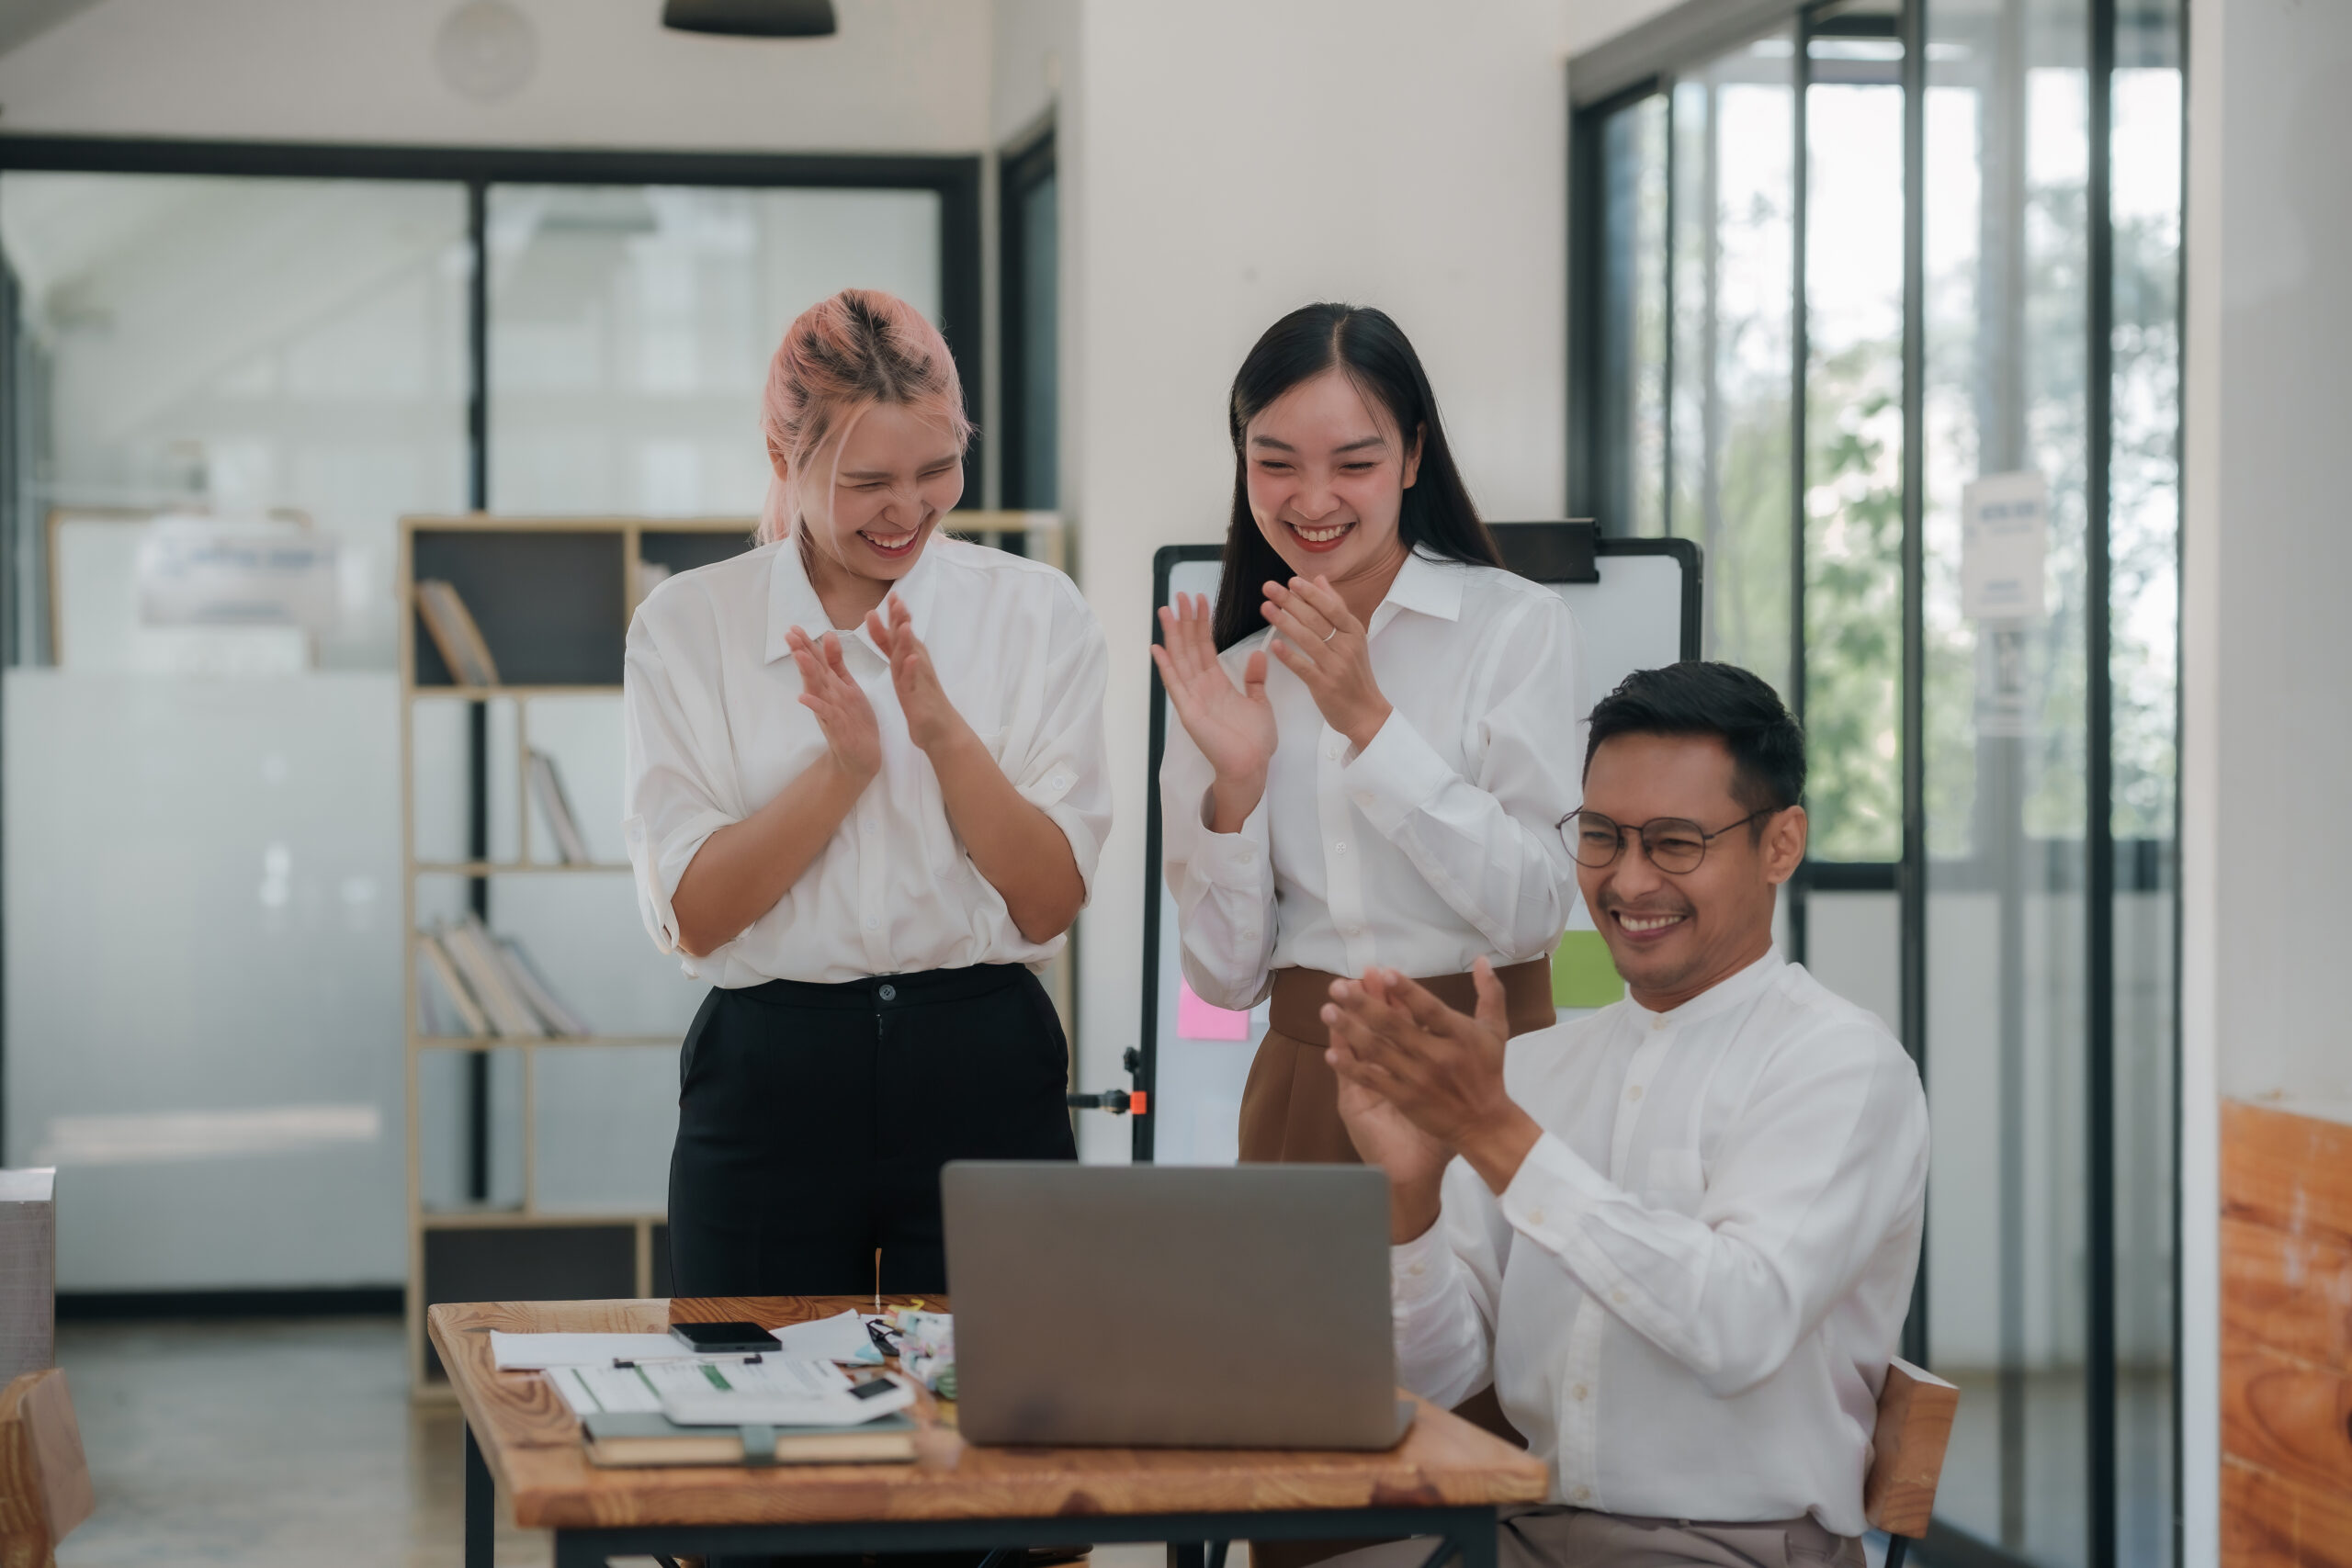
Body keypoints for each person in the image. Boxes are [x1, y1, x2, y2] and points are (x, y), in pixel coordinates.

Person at [1317, 661, 1928, 1568]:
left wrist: (1495, 1137)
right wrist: (1409, 1196)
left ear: (1780, 844)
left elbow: (1735, 1328)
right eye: (1600, 836)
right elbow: (1436, 1381)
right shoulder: (1535, 1066)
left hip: (1738, 1550)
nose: (1627, 881)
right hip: (1524, 1532)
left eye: (1674, 843)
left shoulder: (1840, 1064)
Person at [623, 288, 1108, 1300]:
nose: (908, 510)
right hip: (770, 1074)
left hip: (983, 1060)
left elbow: (1050, 899)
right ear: (783, 463)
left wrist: (939, 734)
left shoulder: (1033, 611)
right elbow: (699, 916)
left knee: (1006, 1402)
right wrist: (843, 772)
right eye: (867, 481)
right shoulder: (688, 623)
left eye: (938, 471)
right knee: (749, 1403)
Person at [1156, 301, 1583, 1166]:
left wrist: (1370, 725)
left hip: (1491, 1073)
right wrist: (1236, 789)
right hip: (1304, 1079)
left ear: (1415, 454)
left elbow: (1537, 911)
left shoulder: (1516, 627)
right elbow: (1225, 983)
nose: (1312, 501)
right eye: (1274, 464)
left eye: (1355, 463)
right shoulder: (1227, 675)